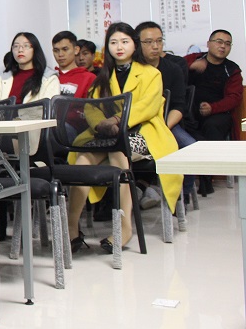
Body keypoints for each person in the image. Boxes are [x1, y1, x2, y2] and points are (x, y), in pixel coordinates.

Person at [66, 22, 179, 254]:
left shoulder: (151, 73)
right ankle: (71, 227)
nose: (119, 47)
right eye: (114, 42)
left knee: (118, 149)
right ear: (107, 46)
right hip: (107, 134)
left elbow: (148, 107)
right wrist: (101, 124)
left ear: (134, 45)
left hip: (143, 133)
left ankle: (125, 228)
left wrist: (117, 120)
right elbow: (91, 108)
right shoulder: (102, 77)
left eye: (124, 42)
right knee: (83, 159)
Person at [135, 21, 195, 207]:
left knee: (189, 147)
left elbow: (179, 106)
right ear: (137, 44)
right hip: (137, 124)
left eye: (159, 41)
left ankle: (181, 196)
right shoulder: (133, 69)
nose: (155, 46)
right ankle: (134, 190)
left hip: (166, 122)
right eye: (149, 42)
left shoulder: (173, 68)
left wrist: (162, 128)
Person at [184, 29, 243, 195]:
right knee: (184, 125)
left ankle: (207, 177)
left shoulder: (232, 69)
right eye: (219, 42)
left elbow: (234, 98)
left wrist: (213, 108)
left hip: (218, 114)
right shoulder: (193, 59)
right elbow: (173, 71)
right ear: (209, 44)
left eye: (227, 44)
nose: (223, 46)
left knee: (212, 126)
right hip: (189, 112)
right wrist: (190, 67)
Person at [0, 32, 59, 104]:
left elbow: (48, 107)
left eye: (26, 46)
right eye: (16, 46)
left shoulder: (49, 79)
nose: (20, 50)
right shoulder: (3, 78)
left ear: (35, 49)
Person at [52, 30, 95, 98]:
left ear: (76, 50)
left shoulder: (89, 78)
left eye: (65, 49)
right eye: (56, 50)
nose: (60, 54)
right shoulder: (49, 78)